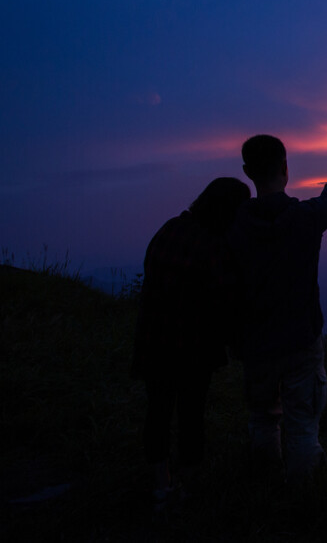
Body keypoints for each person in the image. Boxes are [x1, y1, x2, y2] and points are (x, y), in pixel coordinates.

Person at [228, 134, 327, 484]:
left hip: (255, 343)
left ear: (248, 172)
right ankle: (305, 499)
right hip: (301, 342)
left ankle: (264, 482)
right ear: (285, 167)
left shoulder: (235, 225)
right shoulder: (304, 218)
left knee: (263, 417)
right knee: (303, 425)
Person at [130, 177, 251, 509]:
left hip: (154, 340)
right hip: (193, 348)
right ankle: (187, 490)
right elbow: (225, 299)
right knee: (190, 416)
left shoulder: (169, 229)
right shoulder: (214, 246)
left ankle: (160, 486)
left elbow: (151, 277)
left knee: (157, 412)